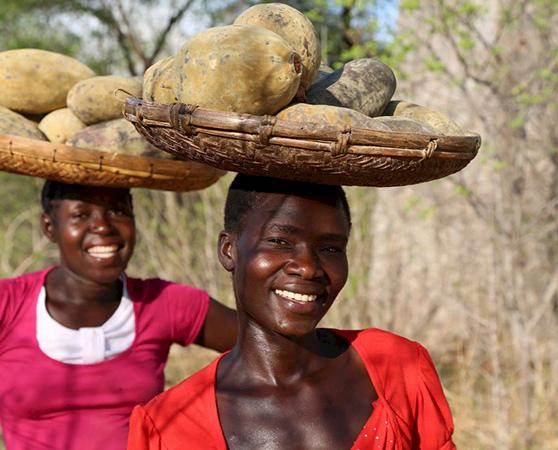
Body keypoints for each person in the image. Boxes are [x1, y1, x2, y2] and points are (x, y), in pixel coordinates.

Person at [128, 174, 456, 450]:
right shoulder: (168, 426)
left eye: (330, 248)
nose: (308, 268)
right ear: (228, 251)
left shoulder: (395, 366)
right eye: (280, 242)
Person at [0, 181, 237, 450]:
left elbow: (268, 352)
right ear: (49, 227)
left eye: (117, 211)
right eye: (81, 215)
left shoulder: (163, 302)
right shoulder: (9, 303)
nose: (103, 226)